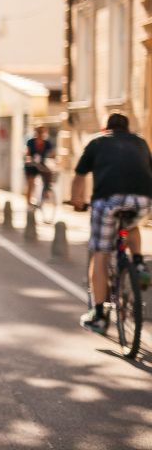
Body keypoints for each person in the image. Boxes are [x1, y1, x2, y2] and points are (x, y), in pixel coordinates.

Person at [71, 113, 152, 333]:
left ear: (105, 128)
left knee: (101, 253)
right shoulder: (141, 142)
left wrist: (77, 200)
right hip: (143, 200)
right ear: (127, 129)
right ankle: (138, 263)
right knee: (131, 224)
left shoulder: (97, 142)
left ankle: (98, 314)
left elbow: (79, 176)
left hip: (108, 201)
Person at [24, 125, 54, 206]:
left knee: (48, 174)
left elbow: (52, 153)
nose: (41, 134)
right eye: (39, 132)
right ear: (36, 132)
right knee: (31, 183)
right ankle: (28, 202)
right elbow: (27, 153)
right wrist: (29, 159)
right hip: (31, 165)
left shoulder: (47, 143)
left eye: (42, 132)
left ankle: (46, 192)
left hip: (40, 164)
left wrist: (53, 157)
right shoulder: (30, 142)